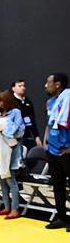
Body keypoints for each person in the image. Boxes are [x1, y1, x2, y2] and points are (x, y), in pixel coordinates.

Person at [0, 90, 25, 219]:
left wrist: (6, 130)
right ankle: (6, 206)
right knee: (1, 179)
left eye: (2, 101)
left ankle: (15, 209)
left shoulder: (16, 112)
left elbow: (20, 131)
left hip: (11, 149)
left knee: (10, 179)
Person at [42, 73, 70, 230]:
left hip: (66, 149)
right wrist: (45, 142)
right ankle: (62, 217)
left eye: (48, 82)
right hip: (52, 149)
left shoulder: (68, 99)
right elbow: (49, 123)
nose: (46, 85)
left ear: (57, 84)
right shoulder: (50, 102)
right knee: (58, 185)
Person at [11, 79, 42, 150]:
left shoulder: (27, 101)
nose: (23, 88)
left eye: (24, 86)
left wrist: (36, 136)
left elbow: (32, 119)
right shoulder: (10, 101)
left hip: (28, 135)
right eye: (20, 86)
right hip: (16, 136)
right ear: (13, 88)